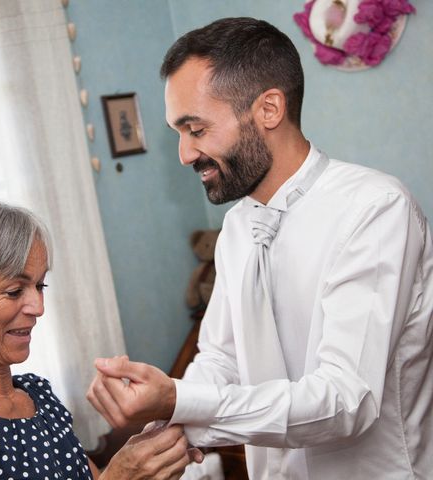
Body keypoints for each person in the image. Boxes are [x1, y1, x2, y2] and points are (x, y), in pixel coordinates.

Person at [87, 17, 433, 479]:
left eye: (196, 129)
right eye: (178, 132)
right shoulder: (236, 227)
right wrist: (170, 421)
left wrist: (180, 400)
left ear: (269, 109)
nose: (184, 155)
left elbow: (346, 402)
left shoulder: (375, 210)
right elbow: (221, 358)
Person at [0, 198, 199, 480]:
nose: (38, 308)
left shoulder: (36, 396)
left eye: (40, 286)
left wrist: (147, 460)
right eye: (14, 291)